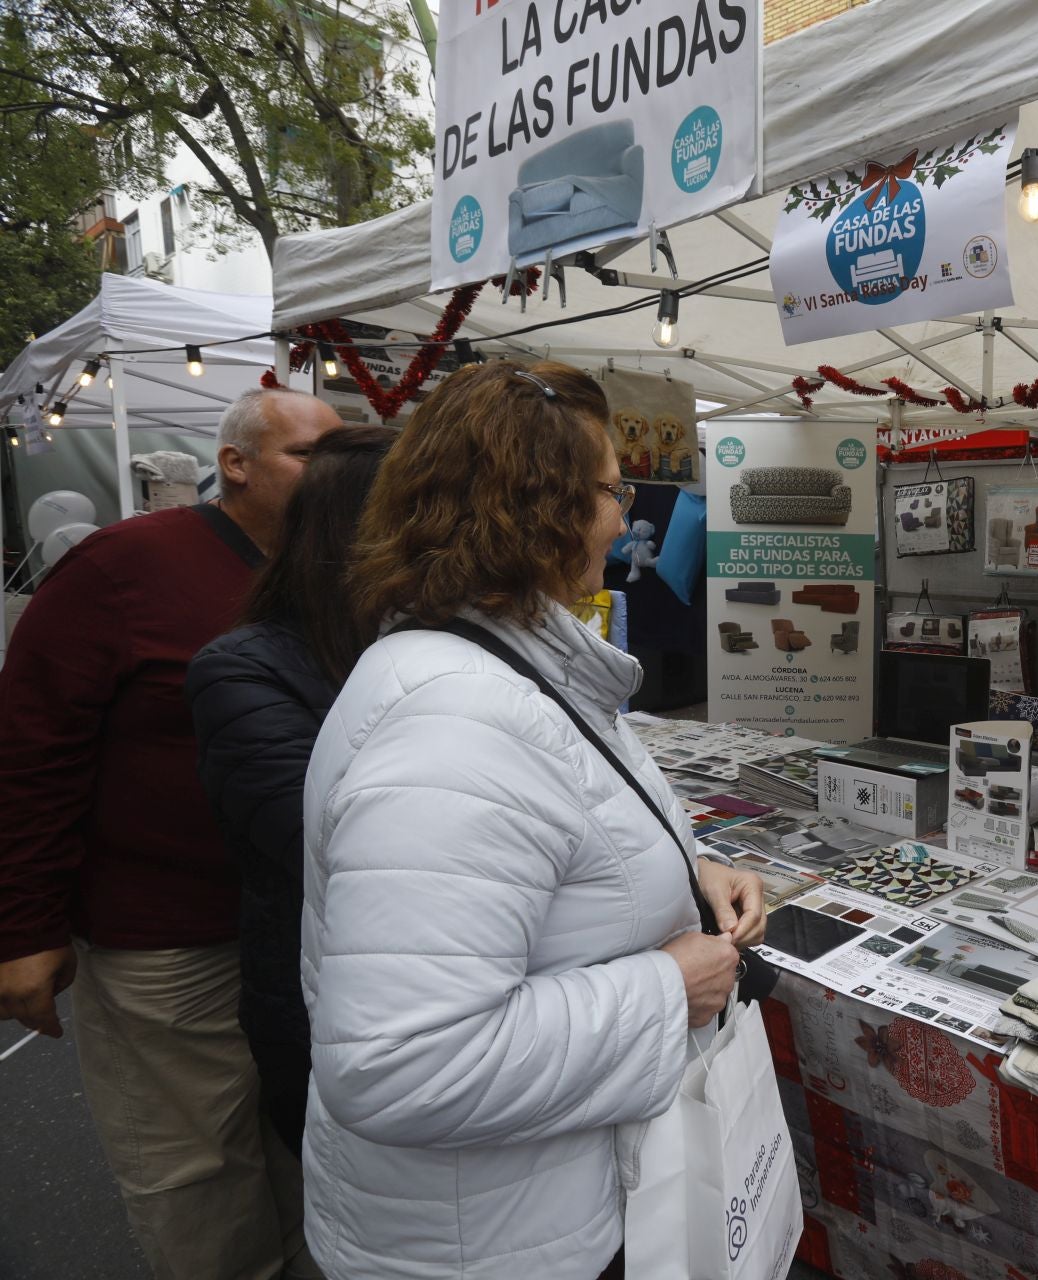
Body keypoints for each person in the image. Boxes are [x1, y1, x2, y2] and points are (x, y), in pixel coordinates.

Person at [300, 360, 766, 1279]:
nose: (620, 517)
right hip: (488, 1246)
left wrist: (689, 872)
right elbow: (400, 1061)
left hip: (527, 1214)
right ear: (537, 508)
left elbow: (565, 825)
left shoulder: (506, 664)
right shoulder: (453, 718)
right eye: (607, 489)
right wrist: (666, 990)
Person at [0, 386, 342, 1279]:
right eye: (309, 454)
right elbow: (31, 751)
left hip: (307, 932)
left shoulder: (340, 577)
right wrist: (25, 926)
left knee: (306, 1149)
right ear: (234, 464)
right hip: (167, 940)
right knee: (196, 1174)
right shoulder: (125, 566)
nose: (333, 474)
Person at [185, 425, 398, 1167]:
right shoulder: (243, 669)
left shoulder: (425, 642)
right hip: (331, 1015)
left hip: (430, 1002)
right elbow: (344, 854)